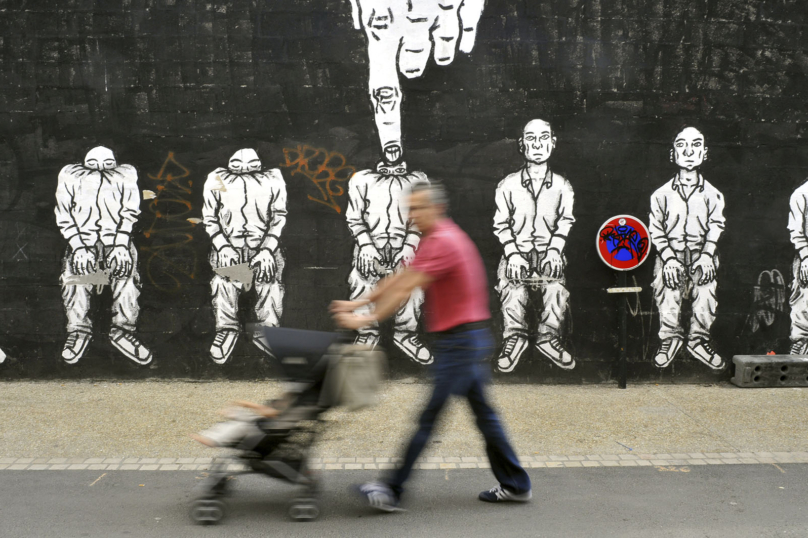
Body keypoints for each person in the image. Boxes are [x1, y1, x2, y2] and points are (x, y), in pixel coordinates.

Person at [331, 182, 532, 512]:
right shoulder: (440, 237)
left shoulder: (442, 242)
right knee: (485, 417)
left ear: (437, 208)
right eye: (410, 209)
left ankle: (392, 490)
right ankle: (516, 484)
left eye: (419, 208)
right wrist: (359, 301)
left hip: (460, 344)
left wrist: (360, 320)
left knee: (428, 418)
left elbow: (403, 290)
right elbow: (400, 278)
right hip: (466, 340)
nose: (412, 215)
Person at [54, 146, 152, 365]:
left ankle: (123, 331)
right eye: (93, 164)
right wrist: (79, 247)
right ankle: (78, 332)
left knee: (128, 280)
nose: (100, 170)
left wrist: (121, 244)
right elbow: (64, 215)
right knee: (74, 280)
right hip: (82, 242)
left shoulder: (125, 175)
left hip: (117, 241)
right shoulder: (70, 177)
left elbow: (130, 211)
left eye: (107, 164)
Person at [493, 119, 576, 373]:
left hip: (548, 254)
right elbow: (501, 224)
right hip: (516, 252)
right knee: (511, 287)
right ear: (522, 145)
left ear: (552, 143)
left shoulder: (563, 186)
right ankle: (514, 337)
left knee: (556, 289)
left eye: (543, 138)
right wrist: (513, 253)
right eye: (531, 138)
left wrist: (554, 250)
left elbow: (565, 221)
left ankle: (548, 337)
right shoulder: (508, 184)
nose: (537, 144)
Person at [648, 127, 726, 369]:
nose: (689, 151)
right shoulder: (660, 194)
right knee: (667, 291)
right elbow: (656, 230)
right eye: (682, 145)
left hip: (702, 256)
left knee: (706, 293)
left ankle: (698, 340)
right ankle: (670, 338)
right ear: (673, 154)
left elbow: (716, 225)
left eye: (696, 145)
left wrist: (706, 256)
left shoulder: (714, 195)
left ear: (704, 153)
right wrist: (669, 259)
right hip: (670, 257)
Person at [202, 149, 288, 364]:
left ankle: (268, 331)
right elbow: (210, 217)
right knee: (223, 284)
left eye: (251, 163)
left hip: (263, 245)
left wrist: (268, 249)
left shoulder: (273, 179)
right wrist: (222, 247)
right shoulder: (217, 179)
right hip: (230, 245)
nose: (244, 167)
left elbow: (279, 216)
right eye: (237, 163)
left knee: (270, 283)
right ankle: (227, 329)